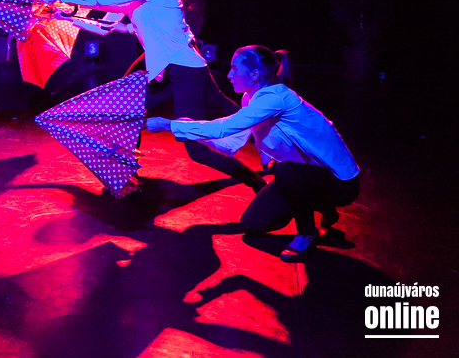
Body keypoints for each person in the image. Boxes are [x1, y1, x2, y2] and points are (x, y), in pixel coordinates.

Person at [40, 0, 265, 192]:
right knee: (129, 112)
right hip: (172, 68)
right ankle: (126, 174)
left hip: (185, 70)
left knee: (197, 149)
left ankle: (255, 177)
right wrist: (65, 16)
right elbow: (107, 22)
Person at [147, 46, 361, 263]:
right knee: (252, 224)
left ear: (255, 74)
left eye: (234, 69)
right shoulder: (250, 99)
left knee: (285, 171)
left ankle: (307, 232)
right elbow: (231, 144)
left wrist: (169, 125)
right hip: (303, 177)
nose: (229, 75)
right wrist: (190, 131)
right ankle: (321, 205)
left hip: (339, 182)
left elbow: (224, 127)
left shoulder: (275, 99)